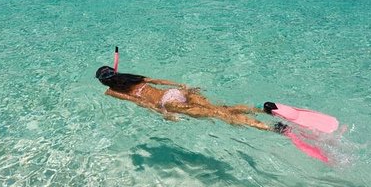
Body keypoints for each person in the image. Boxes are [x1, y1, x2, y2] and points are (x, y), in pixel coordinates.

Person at [95, 65, 280, 132]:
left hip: (169, 103)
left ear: (104, 83)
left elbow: (141, 102)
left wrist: (162, 113)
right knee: (221, 107)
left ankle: (268, 127)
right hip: (175, 93)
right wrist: (184, 87)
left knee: (217, 114)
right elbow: (158, 81)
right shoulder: (130, 77)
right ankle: (260, 108)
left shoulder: (111, 92)